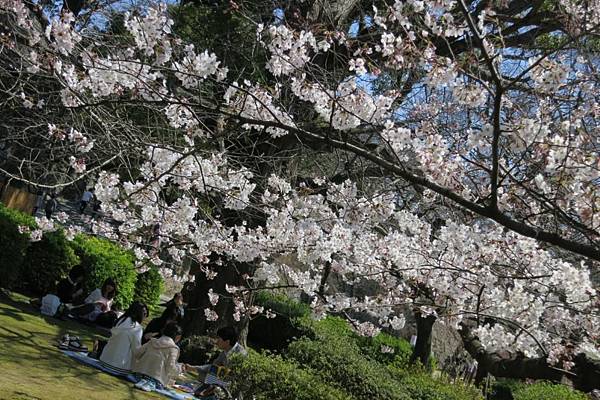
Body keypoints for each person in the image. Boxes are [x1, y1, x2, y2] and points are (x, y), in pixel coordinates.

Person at [185, 326, 247, 397]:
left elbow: (231, 380)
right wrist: (194, 368)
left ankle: (205, 391)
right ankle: (203, 391)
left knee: (203, 377)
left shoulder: (240, 354)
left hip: (230, 386)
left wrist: (197, 371)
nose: (216, 341)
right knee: (203, 375)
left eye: (219, 339)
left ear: (227, 342)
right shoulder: (225, 352)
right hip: (219, 381)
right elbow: (213, 366)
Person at [133, 322, 184, 392]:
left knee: (146, 378)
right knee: (161, 382)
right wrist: (179, 369)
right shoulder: (173, 348)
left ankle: (144, 381)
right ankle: (150, 383)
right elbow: (170, 368)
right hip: (157, 379)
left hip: (138, 374)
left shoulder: (152, 341)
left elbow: (137, 354)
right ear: (178, 337)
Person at [99, 301, 147, 375]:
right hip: (120, 366)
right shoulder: (137, 328)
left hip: (104, 359)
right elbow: (136, 350)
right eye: (144, 314)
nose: (145, 316)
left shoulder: (121, 320)